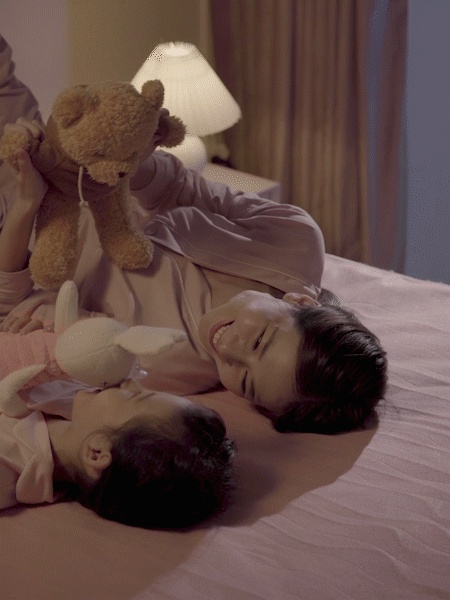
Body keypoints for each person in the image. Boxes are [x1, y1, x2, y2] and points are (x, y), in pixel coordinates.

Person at [0, 35, 387, 435]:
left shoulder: (167, 364)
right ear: (299, 302)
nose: (229, 352)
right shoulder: (296, 242)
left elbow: (20, 309)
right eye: (260, 342)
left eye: (245, 382)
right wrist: (125, 158)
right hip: (67, 160)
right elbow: (184, 188)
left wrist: (28, 205)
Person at [0, 376, 236, 528]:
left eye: (134, 396)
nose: (130, 381)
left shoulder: (10, 464)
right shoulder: (80, 406)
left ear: (96, 452)